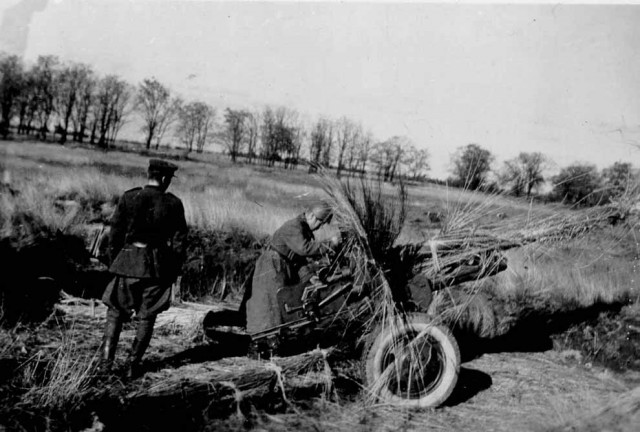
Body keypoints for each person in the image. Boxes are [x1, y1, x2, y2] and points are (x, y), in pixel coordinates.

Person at [99, 158, 188, 378]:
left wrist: (115, 263)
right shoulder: (173, 203)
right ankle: (132, 366)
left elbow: (115, 235)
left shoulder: (130, 197)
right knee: (147, 317)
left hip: (127, 263)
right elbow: (179, 243)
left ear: (149, 175)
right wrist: (173, 272)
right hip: (157, 268)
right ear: (165, 178)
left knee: (114, 314)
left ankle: (105, 366)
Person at [244, 202, 338, 336]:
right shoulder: (294, 227)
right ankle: (262, 336)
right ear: (311, 215)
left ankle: (274, 334)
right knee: (272, 302)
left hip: (282, 265)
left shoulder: (303, 229)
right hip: (272, 265)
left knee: (282, 302)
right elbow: (304, 249)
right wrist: (330, 245)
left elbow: (298, 260)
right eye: (320, 223)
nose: (320, 227)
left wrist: (309, 277)